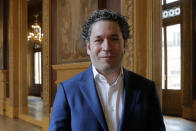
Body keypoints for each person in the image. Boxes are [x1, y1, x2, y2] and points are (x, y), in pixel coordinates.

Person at [49, 9, 166, 131]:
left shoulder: (147, 89)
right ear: (88, 47)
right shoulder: (67, 91)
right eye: (98, 40)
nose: (107, 47)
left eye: (114, 39)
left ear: (125, 45)